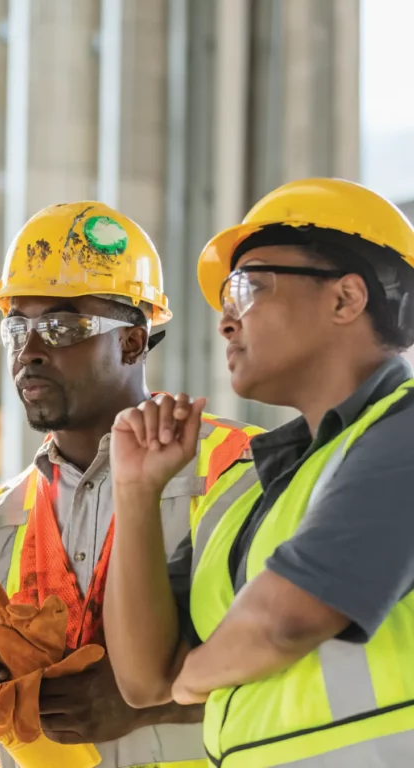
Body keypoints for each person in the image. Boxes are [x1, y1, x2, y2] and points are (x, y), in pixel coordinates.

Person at [0, 202, 262, 768]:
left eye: (60, 326)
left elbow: (296, 662)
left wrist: (149, 703)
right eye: (18, 327)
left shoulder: (236, 469)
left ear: (132, 342)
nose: (30, 351)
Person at [103, 178, 414, 767]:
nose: (225, 321)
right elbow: (144, 683)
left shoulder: (404, 429)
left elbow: (288, 618)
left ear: (346, 299)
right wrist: (137, 491)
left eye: (248, 287)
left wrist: (194, 677)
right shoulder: (246, 489)